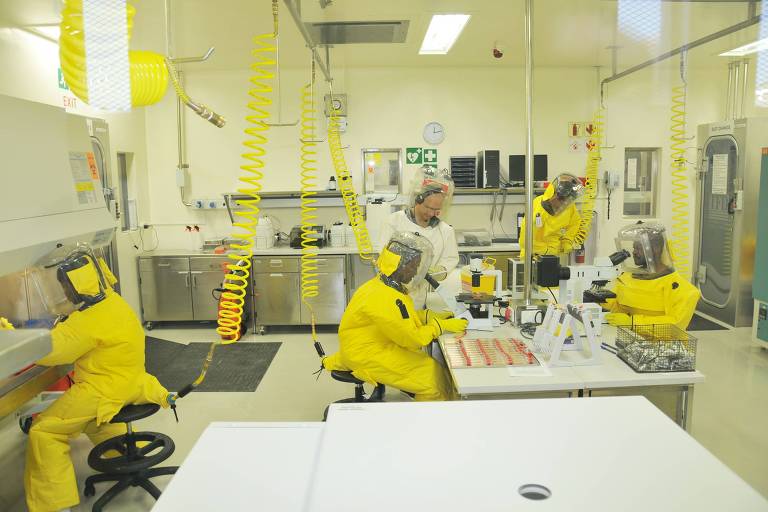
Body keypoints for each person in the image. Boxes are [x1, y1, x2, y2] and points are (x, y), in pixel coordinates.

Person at [24, 244, 175, 512]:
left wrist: (12, 334)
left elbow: (51, 350)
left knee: (44, 431)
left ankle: (55, 506)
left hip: (102, 390)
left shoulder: (88, 320)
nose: (65, 292)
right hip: (133, 383)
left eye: (66, 286)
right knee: (97, 422)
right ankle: (124, 460)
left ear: (78, 285)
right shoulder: (114, 302)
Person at [323, 232, 467, 401]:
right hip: (365, 354)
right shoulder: (383, 296)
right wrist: (439, 327)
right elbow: (412, 338)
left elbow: (399, 319)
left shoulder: (386, 286)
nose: (415, 272)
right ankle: (428, 424)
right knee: (430, 381)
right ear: (400, 265)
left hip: (375, 343)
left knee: (433, 368)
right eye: (414, 266)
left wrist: (427, 316)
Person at [378, 166, 459, 308]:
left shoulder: (445, 231)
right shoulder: (394, 222)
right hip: (391, 297)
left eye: (437, 210)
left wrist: (438, 271)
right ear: (417, 200)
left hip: (420, 299)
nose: (432, 213)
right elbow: (383, 257)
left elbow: (450, 260)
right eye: (428, 208)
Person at [604, 222, 700, 330]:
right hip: (629, 338)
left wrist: (632, 322)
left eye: (638, 248)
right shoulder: (627, 278)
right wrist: (597, 298)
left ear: (655, 249)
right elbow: (617, 306)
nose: (633, 253)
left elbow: (675, 325)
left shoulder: (683, 290)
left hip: (664, 345)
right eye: (633, 248)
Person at [519, 173, 584, 257]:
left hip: (555, 255)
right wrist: (547, 250)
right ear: (554, 195)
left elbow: (575, 223)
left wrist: (567, 241)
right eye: (562, 200)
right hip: (533, 257)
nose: (563, 204)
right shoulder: (538, 208)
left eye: (567, 201)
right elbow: (525, 241)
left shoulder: (569, 207)